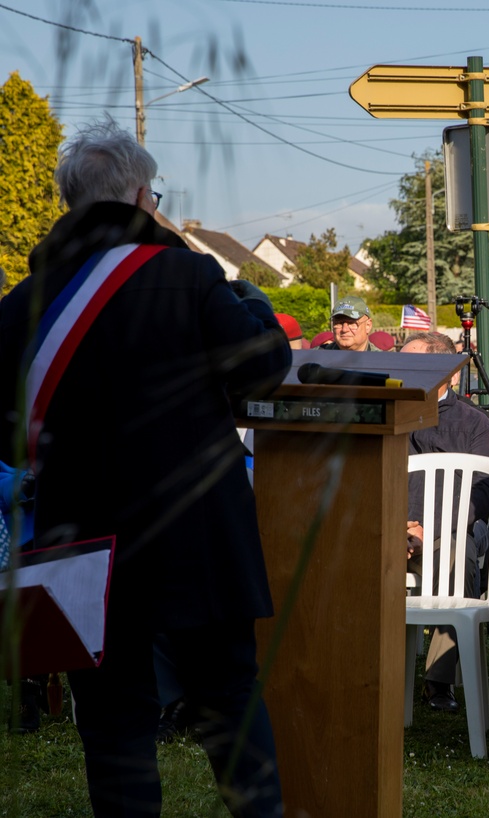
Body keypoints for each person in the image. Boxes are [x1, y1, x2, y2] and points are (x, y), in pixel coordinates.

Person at [0, 119, 289, 817]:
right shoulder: (187, 275)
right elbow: (263, 370)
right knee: (228, 704)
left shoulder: (19, 305)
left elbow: (8, 440)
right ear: (138, 196)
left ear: (74, 204)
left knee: (113, 725)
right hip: (198, 535)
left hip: (82, 543)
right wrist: (252, 304)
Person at [401, 332, 489, 713]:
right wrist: (397, 529)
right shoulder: (387, 413)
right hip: (389, 531)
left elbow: (485, 489)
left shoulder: (474, 423)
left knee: (460, 559)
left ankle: (439, 679)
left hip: (447, 534)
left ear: (448, 372)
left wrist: (431, 528)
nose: (402, 371)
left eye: (413, 364)